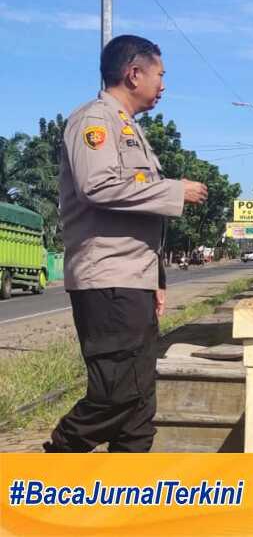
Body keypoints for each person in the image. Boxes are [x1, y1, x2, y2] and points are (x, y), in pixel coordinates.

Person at [45, 35, 209, 453]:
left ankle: (127, 489)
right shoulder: (94, 120)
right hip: (108, 278)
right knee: (116, 393)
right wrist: (174, 190)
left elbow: (139, 217)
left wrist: (157, 280)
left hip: (133, 279)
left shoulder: (130, 128)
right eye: (160, 75)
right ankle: (52, 462)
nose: (163, 85)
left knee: (138, 408)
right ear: (134, 74)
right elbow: (97, 186)